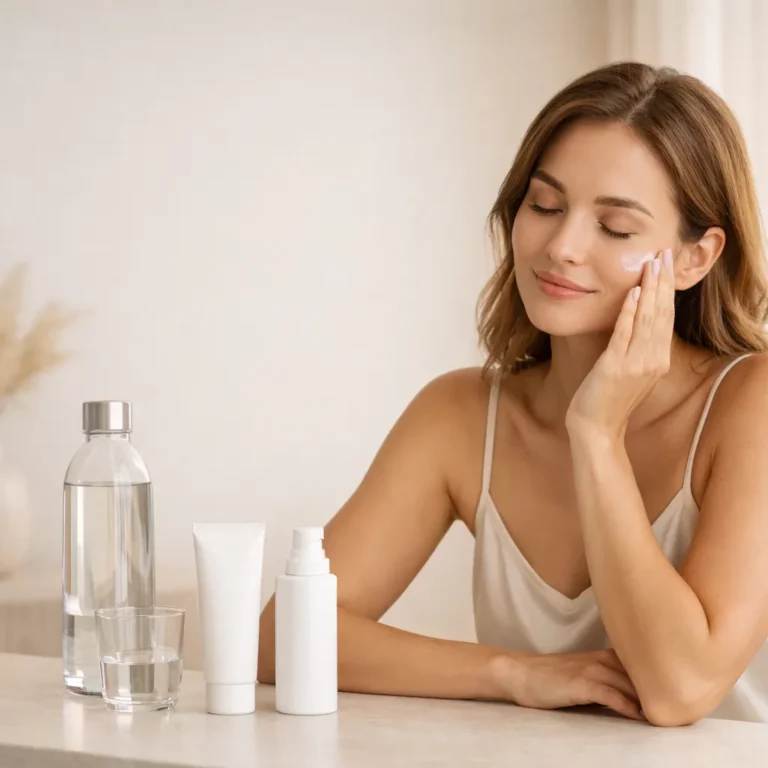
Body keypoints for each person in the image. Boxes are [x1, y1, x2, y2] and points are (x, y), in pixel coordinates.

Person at [258, 61, 768, 727]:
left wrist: (597, 436)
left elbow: (678, 690)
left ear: (696, 258)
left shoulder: (750, 403)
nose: (561, 246)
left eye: (615, 227)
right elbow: (283, 638)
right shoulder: (460, 416)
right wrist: (514, 672)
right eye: (545, 205)